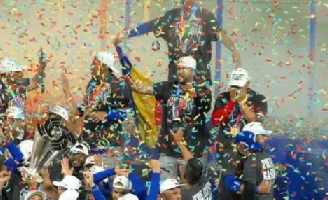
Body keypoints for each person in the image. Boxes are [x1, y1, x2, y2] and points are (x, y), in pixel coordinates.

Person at [113, 0, 241, 85]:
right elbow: (150, 25)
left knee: (196, 113)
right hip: (176, 76)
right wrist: (127, 34)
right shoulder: (172, 16)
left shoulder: (206, 16)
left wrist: (233, 50)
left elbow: (221, 34)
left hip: (199, 77)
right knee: (174, 111)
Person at [126, 56, 212, 178]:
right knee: (166, 185)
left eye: (184, 69)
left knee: (191, 186)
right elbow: (146, 89)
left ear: (192, 71)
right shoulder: (168, 87)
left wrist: (196, 96)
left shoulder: (203, 90)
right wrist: (132, 85)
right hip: (168, 151)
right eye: (179, 69)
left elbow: (206, 107)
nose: (180, 72)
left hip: (192, 152)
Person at [73, 51, 131, 153]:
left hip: (109, 143)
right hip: (89, 140)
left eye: (94, 63)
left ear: (104, 66)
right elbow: (88, 106)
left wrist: (106, 114)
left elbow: (128, 112)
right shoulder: (92, 84)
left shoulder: (118, 85)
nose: (91, 66)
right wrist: (80, 110)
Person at [211, 68, 268, 159]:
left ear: (247, 84)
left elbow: (255, 121)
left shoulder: (258, 99)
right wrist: (231, 102)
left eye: (239, 87)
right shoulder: (223, 97)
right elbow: (216, 122)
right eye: (233, 86)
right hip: (226, 148)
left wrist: (241, 102)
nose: (235, 90)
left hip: (250, 148)